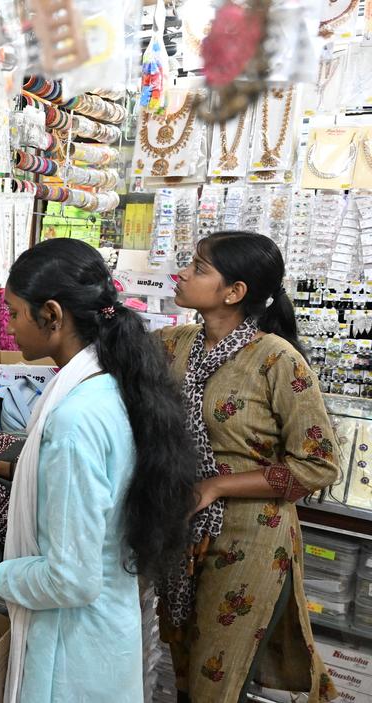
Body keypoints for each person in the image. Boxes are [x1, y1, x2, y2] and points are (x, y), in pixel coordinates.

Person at [0, 237, 196, 703]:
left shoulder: (76, 419)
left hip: (73, 656)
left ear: (52, 315)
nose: (11, 324)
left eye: (16, 312)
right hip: (101, 633)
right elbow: (93, 483)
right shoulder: (109, 384)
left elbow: (71, 579)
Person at [161, 231, 340, 702]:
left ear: (234, 292)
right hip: (186, 534)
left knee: (216, 681)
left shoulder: (277, 360)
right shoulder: (176, 345)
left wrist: (217, 487)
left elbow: (319, 465)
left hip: (252, 539)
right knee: (182, 670)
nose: (183, 272)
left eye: (199, 268)